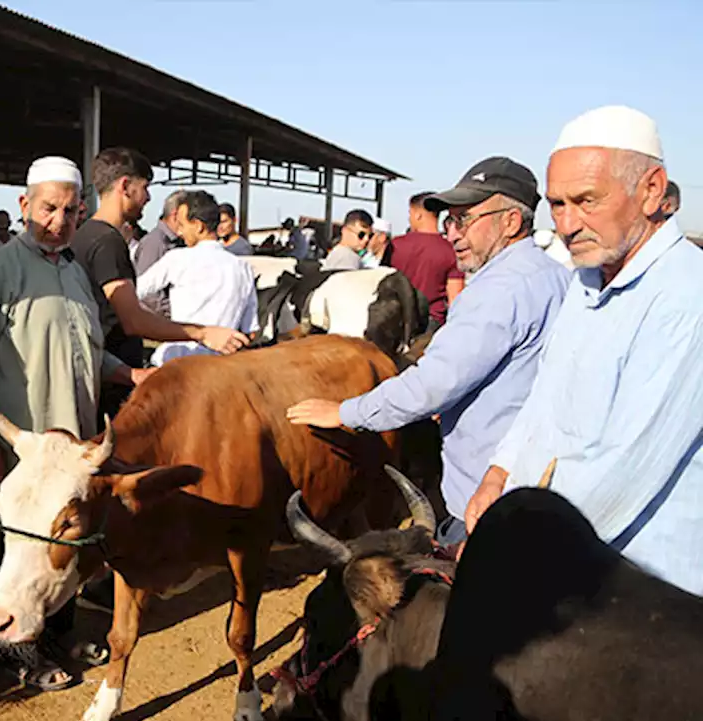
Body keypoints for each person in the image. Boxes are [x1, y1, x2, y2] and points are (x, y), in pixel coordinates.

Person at [464, 106, 703, 597]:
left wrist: (506, 548)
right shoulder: (587, 280)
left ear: (652, 190)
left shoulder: (685, 296)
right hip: (567, 558)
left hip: (650, 595)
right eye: (557, 204)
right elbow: (546, 399)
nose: (568, 223)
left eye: (587, 201)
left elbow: (624, 467)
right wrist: (499, 472)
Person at [287, 157, 569, 547]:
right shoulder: (557, 276)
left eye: (464, 219)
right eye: (449, 221)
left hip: (487, 496)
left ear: (511, 222)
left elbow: (431, 386)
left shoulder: (497, 290)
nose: (452, 234)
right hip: (536, 482)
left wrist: (344, 411)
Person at [0, 156, 150, 692]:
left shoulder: (76, 274)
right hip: (24, 454)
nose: (59, 220)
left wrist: (132, 372)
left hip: (75, 454)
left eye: (69, 209)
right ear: (25, 206)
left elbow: (89, 354)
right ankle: (13, 652)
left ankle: (57, 633)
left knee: (66, 550)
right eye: (48, 208)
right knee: (14, 552)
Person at [70, 148, 249, 421]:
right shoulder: (108, 243)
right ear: (126, 187)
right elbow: (133, 321)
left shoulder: (86, 236)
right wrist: (202, 333)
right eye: (145, 187)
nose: (149, 197)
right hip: (110, 383)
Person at [136, 191, 259, 366]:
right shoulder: (243, 268)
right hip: (220, 369)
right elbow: (250, 330)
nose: (179, 232)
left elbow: (135, 290)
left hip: (177, 364)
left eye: (183, 225)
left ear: (198, 226)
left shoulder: (177, 259)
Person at [391, 191, 464, 327]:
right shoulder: (450, 250)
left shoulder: (395, 245)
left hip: (397, 321)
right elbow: (455, 299)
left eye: (410, 214)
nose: (409, 219)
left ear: (418, 215)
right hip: (432, 323)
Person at [133, 189, 189, 317]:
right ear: (175, 216)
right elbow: (149, 295)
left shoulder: (177, 243)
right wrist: (176, 313)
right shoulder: (155, 243)